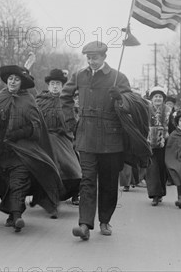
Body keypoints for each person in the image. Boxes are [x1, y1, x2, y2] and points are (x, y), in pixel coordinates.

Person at [61, 41, 131, 240]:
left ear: (104, 58)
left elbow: (131, 105)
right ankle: (84, 224)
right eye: (89, 58)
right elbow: (65, 98)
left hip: (111, 138)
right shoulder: (79, 76)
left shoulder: (118, 77)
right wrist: (71, 123)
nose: (91, 61)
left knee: (109, 183)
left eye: (95, 58)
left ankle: (105, 220)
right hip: (86, 136)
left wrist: (121, 98)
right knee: (87, 181)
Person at [0, 65, 63, 232]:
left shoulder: (28, 100)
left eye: (17, 79)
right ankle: (12, 213)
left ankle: (17, 215)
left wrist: (17, 133)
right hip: (1, 150)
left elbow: (36, 128)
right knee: (4, 183)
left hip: (22, 150)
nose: (13, 82)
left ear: (22, 82)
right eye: (10, 79)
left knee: (18, 181)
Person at [35, 68, 82, 207]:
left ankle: (75, 193)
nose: (55, 86)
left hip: (64, 138)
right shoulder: (40, 101)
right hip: (44, 139)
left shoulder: (68, 102)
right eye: (52, 83)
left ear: (62, 86)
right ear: (48, 85)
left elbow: (74, 121)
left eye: (58, 84)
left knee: (73, 165)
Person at [145, 86, 170, 206]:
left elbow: (174, 125)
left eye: (160, 97)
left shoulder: (169, 110)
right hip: (150, 142)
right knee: (152, 168)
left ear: (163, 98)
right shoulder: (146, 110)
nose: (158, 99)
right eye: (156, 97)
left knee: (162, 168)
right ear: (152, 98)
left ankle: (160, 193)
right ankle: (154, 194)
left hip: (165, 143)